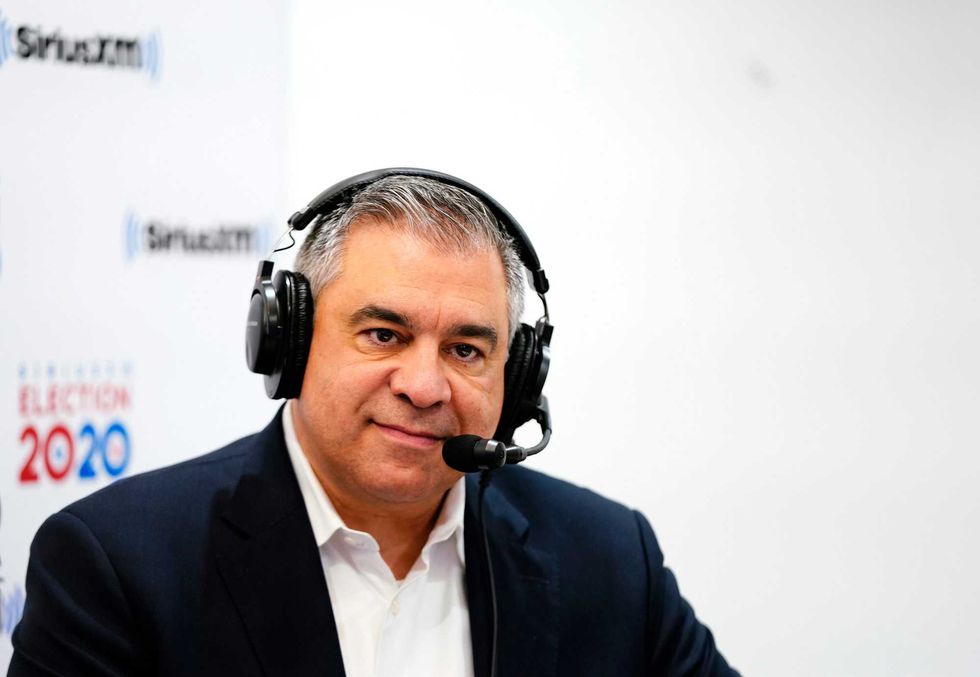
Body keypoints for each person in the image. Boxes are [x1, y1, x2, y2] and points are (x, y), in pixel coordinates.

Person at [10, 170, 740, 676]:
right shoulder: (117, 566)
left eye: (465, 348)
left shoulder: (611, 559)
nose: (425, 386)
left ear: (516, 380)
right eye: (383, 333)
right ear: (289, 342)